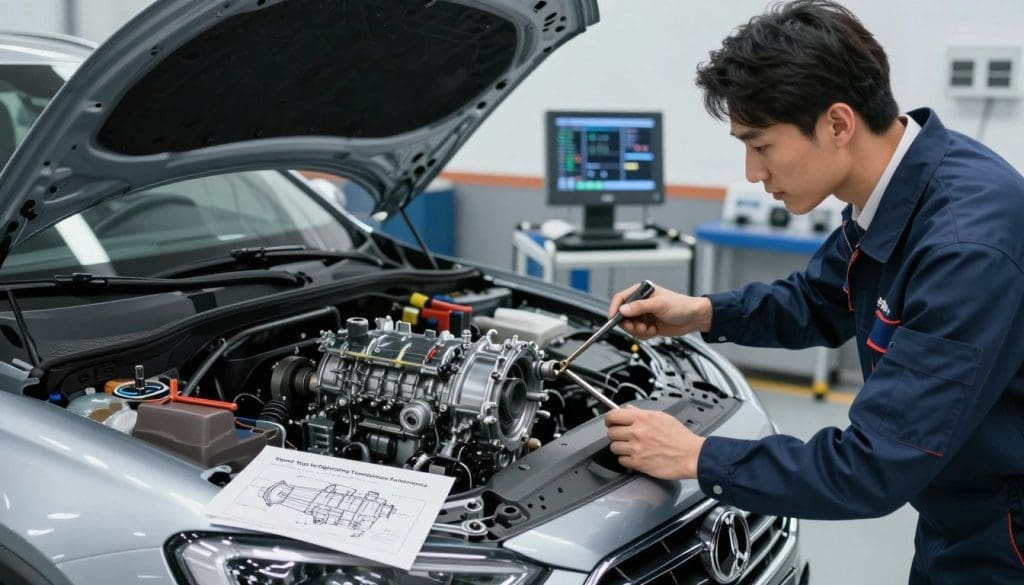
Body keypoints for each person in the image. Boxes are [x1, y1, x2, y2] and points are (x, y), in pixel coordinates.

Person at [603, 1, 1024, 582]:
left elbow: (874, 466)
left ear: (837, 124)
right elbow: (820, 300)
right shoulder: (897, 190)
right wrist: (699, 313)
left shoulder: (964, 249)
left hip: (1006, 535)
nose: (752, 172)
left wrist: (697, 457)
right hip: (959, 506)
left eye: (762, 145)